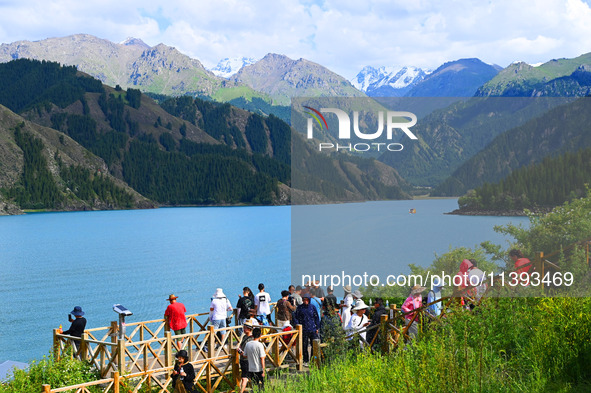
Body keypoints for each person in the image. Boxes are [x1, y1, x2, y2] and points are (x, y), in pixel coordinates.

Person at [293, 294, 320, 366]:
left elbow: (316, 317)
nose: (305, 301)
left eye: (307, 300)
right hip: (303, 329)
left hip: (312, 329)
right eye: (304, 300)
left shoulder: (312, 307)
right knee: (304, 346)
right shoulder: (299, 308)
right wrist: (297, 325)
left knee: (313, 345)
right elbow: (295, 317)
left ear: (309, 300)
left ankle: (313, 359)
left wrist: (317, 327)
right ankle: (306, 360)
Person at [237, 323, 254, 393]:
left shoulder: (251, 339)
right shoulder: (244, 337)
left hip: (247, 360)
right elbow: (241, 345)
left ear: (249, 329)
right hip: (242, 360)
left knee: (245, 378)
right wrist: (239, 349)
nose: (243, 329)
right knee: (245, 377)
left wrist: (242, 353)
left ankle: (241, 391)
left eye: (245, 328)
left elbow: (249, 353)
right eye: (243, 328)